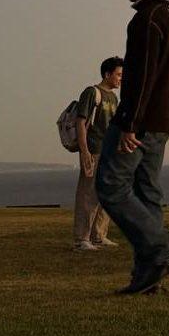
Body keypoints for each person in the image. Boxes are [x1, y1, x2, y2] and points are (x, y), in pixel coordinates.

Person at [96, 0, 169, 295]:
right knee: (148, 192)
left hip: (140, 122)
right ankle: (149, 277)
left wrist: (130, 123)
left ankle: (161, 248)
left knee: (111, 186)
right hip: (161, 123)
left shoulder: (144, 20)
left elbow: (142, 77)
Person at [72, 56, 122, 251]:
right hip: (94, 149)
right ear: (107, 74)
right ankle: (81, 238)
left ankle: (99, 235)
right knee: (88, 194)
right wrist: (84, 151)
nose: (120, 79)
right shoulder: (92, 93)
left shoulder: (114, 97)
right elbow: (81, 123)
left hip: (109, 151)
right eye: (118, 75)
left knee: (106, 194)